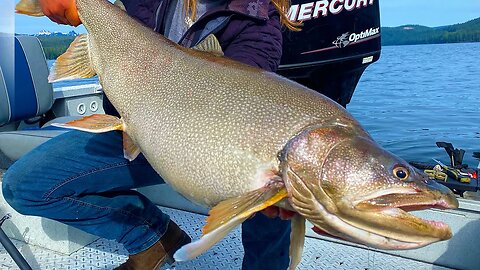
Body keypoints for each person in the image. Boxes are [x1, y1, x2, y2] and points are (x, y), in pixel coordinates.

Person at [3, 0, 299, 269]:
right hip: (125, 128)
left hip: (191, 147)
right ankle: (153, 235)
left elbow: (238, 116)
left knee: (273, 201)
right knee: (23, 186)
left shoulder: (259, 23)